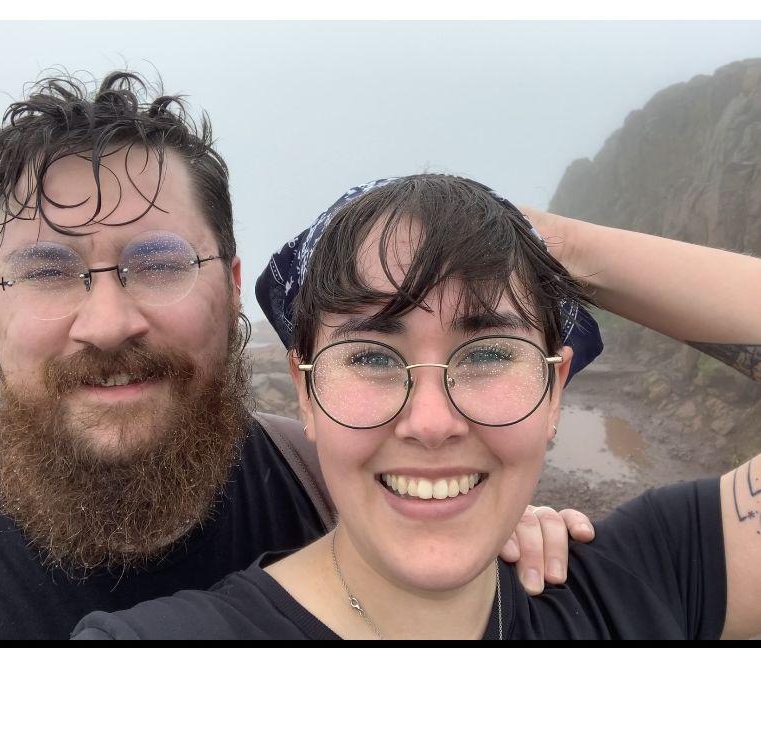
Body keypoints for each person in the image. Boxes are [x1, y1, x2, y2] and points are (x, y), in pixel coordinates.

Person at [0, 75, 588, 640]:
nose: (107, 324)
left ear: (231, 286)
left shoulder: (330, 484)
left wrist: (480, 520)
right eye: (47, 272)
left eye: (159, 264)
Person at [72, 173, 761, 640]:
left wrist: (552, 244)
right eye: (371, 356)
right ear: (306, 391)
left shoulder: (640, 590)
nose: (431, 423)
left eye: (488, 353)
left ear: (555, 389)